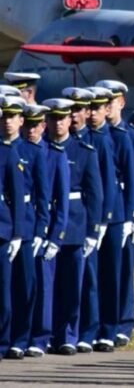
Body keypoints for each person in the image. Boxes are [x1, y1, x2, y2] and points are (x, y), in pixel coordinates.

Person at [41, 98, 102, 356]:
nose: (58, 124)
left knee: (73, 284)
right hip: (46, 221)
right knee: (47, 285)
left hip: (76, 223)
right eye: (53, 119)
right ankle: (46, 333)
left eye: (62, 118)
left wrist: (92, 230)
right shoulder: (41, 149)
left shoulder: (84, 151)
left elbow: (95, 193)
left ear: (69, 121)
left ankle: (69, 333)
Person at [96, 80, 134, 349]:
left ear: (122, 103)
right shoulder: (98, 135)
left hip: (124, 212)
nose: (107, 106)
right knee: (102, 271)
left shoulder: (132, 135)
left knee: (123, 270)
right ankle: (103, 322)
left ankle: (123, 323)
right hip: (103, 213)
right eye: (103, 102)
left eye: (111, 101)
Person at [0, 95, 50, 360]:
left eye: (12, 117)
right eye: (4, 116)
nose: (8, 122)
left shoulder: (33, 151)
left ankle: (23, 337)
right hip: (5, 226)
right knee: (5, 287)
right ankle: (6, 338)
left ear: (21, 120)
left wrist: (41, 230)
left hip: (26, 227)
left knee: (26, 285)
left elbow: (41, 195)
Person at [23, 103, 70, 358]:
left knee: (43, 287)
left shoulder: (54, 154)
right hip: (21, 228)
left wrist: (55, 236)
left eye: (36, 124)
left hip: (44, 229)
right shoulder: (17, 150)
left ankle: (40, 337)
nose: (31, 129)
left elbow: (60, 201)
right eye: (27, 124)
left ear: (44, 126)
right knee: (20, 287)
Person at [73, 86, 117, 353]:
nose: (81, 115)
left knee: (98, 278)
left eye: (85, 109)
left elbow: (104, 185)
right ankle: (79, 330)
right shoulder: (77, 140)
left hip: (94, 217)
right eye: (76, 110)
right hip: (77, 219)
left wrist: (101, 221)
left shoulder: (99, 141)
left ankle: (99, 329)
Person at [0, 104, 25, 362]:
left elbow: (17, 196)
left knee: (3, 291)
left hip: (2, 230)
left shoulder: (7, 154)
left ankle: (3, 341)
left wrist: (17, 233)